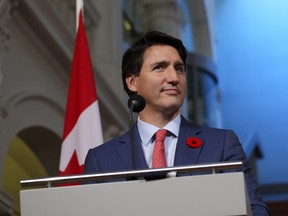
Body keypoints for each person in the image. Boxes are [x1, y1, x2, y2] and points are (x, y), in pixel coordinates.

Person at [84, 30, 270, 215]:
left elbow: (255, 209)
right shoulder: (101, 160)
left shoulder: (221, 144)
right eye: (160, 67)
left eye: (179, 68)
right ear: (132, 82)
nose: (174, 78)